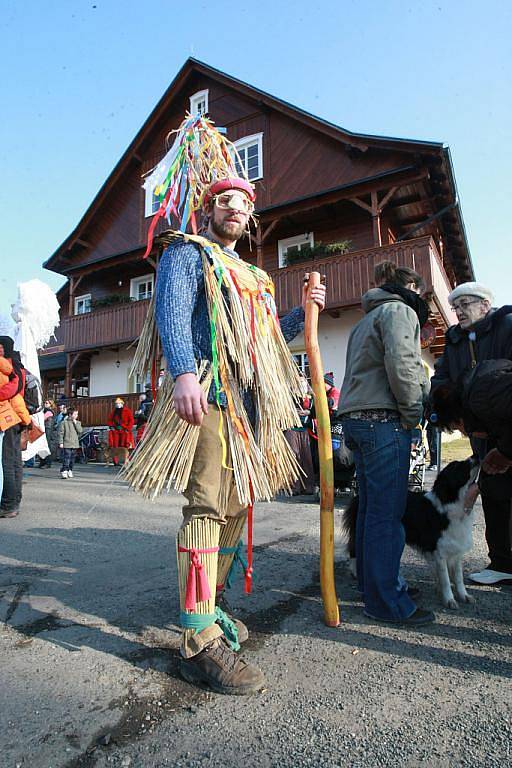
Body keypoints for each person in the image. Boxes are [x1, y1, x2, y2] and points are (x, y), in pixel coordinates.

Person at [152, 173, 326, 694]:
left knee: (235, 507)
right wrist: (184, 372)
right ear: (208, 212)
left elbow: (270, 339)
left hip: (248, 409)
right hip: (207, 397)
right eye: (223, 201)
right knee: (206, 507)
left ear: (250, 218)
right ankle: (197, 641)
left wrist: (306, 308)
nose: (233, 208)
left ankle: (210, 601)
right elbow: (173, 314)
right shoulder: (188, 255)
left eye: (243, 203)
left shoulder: (252, 275)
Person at [338, 262, 433, 625]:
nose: (420, 298)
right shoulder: (399, 311)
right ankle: (386, 601)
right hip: (384, 421)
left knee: (369, 509)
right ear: (406, 286)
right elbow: (403, 363)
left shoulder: (364, 321)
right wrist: (413, 414)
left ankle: (372, 585)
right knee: (386, 513)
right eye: (418, 291)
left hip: (358, 419)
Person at [430, 282, 512, 585]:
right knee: (493, 491)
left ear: (485, 306)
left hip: (506, 417)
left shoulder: (507, 325)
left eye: (466, 304)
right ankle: (502, 562)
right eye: (456, 306)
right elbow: (440, 378)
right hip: (479, 426)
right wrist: (443, 409)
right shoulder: (454, 341)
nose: (460, 311)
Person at [0, 335, 30, 518]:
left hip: (10, 418)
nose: (0, 350)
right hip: (18, 417)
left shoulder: (11, 367)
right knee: (15, 462)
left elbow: (13, 390)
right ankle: (15, 501)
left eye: (2, 347)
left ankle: (9, 504)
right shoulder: (18, 366)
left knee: (8, 462)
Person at [107, 397, 135, 464]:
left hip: (124, 430)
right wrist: (111, 426)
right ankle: (115, 461)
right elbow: (110, 420)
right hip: (116, 431)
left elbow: (131, 421)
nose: (117, 405)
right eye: (116, 403)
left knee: (125, 446)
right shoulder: (114, 412)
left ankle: (126, 460)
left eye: (119, 403)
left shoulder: (127, 411)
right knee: (115, 446)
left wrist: (128, 428)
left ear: (122, 404)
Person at [58, 408, 83, 479]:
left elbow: (80, 431)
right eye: (75, 414)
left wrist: (75, 423)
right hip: (67, 443)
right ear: (70, 414)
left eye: (77, 414)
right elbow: (61, 433)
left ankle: (70, 469)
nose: (76, 415)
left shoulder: (78, 422)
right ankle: (64, 470)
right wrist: (61, 442)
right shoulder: (64, 422)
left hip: (75, 444)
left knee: (72, 459)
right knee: (67, 458)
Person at [39, 399, 57, 468]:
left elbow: (42, 418)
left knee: (46, 446)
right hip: (44, 428)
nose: (45, 404)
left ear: (50, 405)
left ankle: (47, 463)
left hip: (48, 429)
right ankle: (42, 462)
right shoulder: (45, 411)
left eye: (47, 403)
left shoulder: (49, 412)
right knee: (41, 446)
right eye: (45, 403)